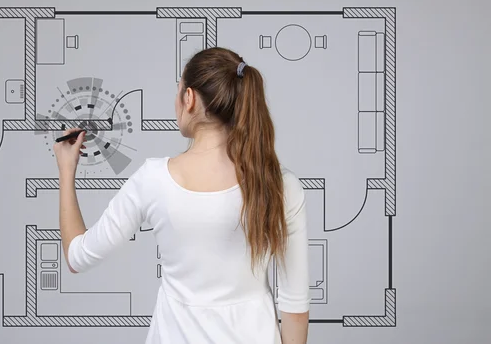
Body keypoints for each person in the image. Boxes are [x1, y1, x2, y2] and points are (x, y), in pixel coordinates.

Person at [53, 47, 310, 343]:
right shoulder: (280, 184)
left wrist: (65, 169)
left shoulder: (153, 180)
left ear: (189, 98)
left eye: (178, 92)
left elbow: (78, 256)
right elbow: (295, 309)